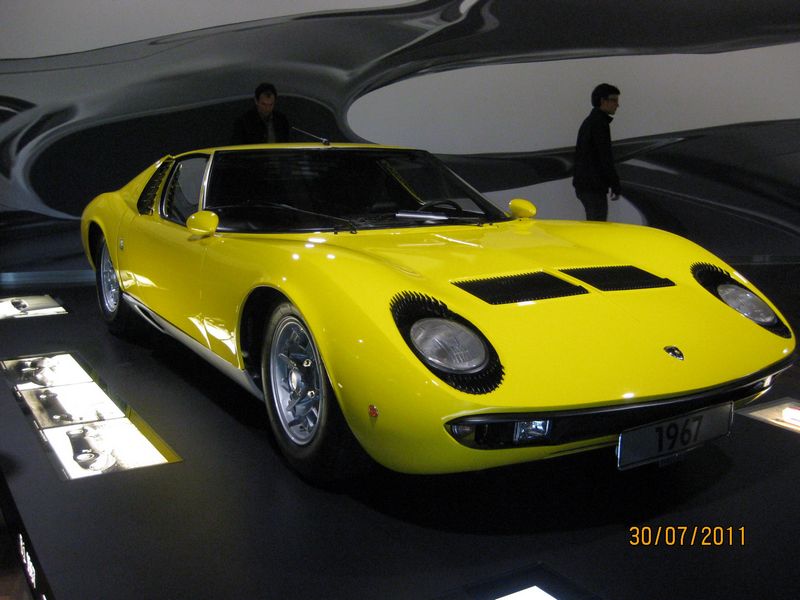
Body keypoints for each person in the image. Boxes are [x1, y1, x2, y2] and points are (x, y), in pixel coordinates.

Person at [572, 83, 621, 221]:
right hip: (593, 186)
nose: (617, 105)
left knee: (594, 222)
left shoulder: (591, 121)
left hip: (586, 185)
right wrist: (615, 185)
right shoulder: (599, 124)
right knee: (597, 224)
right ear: (603, 101)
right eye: (614, 100)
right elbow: (605, 157)